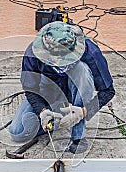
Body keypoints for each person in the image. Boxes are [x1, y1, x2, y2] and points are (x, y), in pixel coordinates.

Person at [9, 21, 115, 153]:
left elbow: (108, 91)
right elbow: (30, 89)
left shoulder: (91, 52)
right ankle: (56, 116)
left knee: (83, 70)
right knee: (18, 132)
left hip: (75, 91)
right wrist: (42, 111)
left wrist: (84, 111)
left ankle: (78, 135)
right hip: (48, 92)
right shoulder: (33, 52)